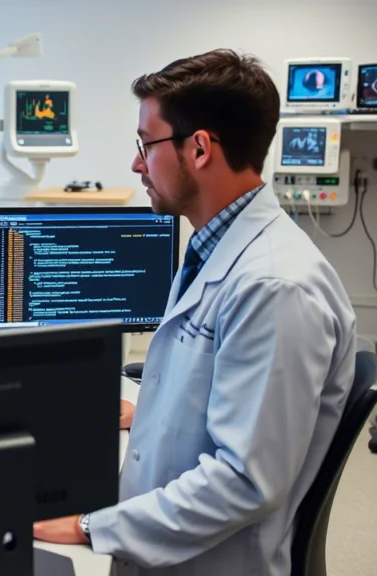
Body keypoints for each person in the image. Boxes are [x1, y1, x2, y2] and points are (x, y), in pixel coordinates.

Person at [33, 49, 357, 576]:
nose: (138, 163)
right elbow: (232, 392)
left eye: (146, 144)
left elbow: (244, 480)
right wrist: (157, 414)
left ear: (201, 148)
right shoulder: (216, 244)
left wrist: (90, 527)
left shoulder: (275, 286)